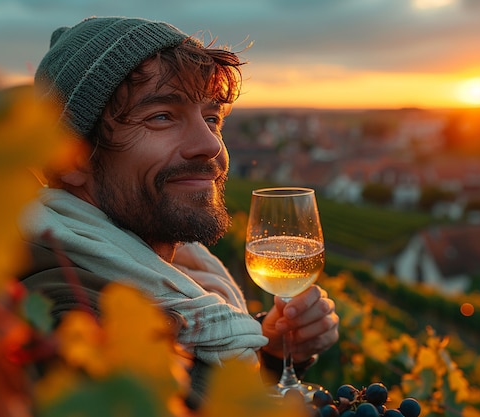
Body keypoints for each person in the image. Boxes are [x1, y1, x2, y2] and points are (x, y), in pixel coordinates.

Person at [17, 16, 339, 406]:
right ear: (69, 159)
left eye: (212, 118)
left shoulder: (175, 278)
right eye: (161, 116)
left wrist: (272, 355)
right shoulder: (76, 323)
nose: (210, 145)